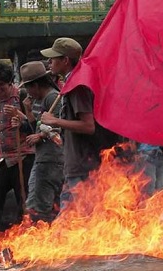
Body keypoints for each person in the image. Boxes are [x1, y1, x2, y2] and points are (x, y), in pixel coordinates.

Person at [40, 37, 122, 209]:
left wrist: (55, 120)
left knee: (76, 221)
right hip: (78, 165)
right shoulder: (72, 82)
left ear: (65, 60)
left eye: (54, 58)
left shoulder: (78, 86)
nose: (49, 62)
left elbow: (88, 125)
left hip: (83, 168)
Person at [0, 62, 35, 231]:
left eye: (2, 85)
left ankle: (26, 239)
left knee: (24, 202)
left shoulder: (21, 96)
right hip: (0, 159)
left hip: (22, 157)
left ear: (10, 83)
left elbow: (33, 124)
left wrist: (20, 117)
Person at [18, 61, 64, 222]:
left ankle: (38, 236)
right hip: (42, 158)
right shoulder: (36, 101)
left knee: (38, 207)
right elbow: (37, 128)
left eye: (28, 88)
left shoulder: (52, 97)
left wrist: (41, 136)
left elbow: (58, 127)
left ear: (36, 85)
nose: (28, 92)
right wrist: (28, 113)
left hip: (51, 159)